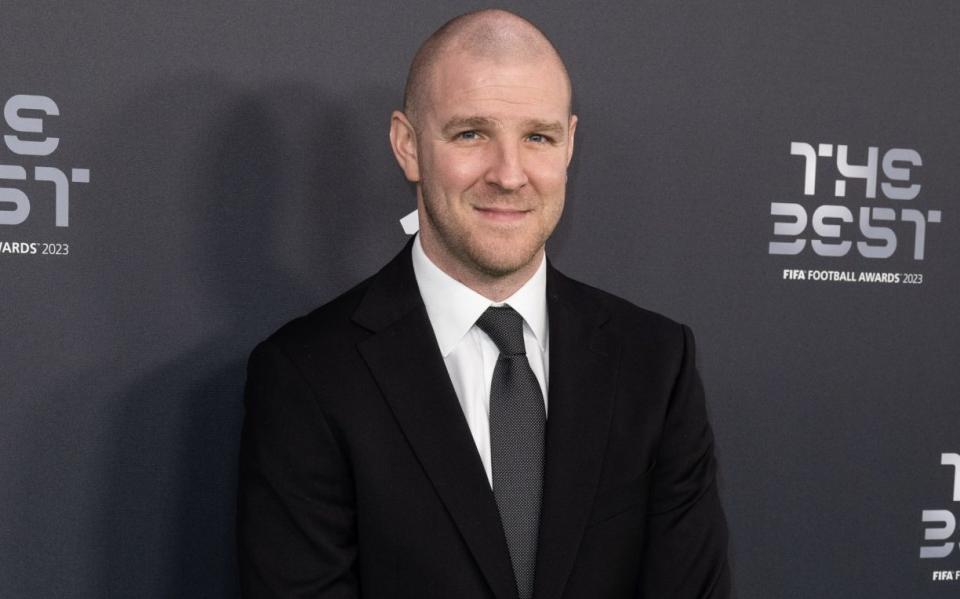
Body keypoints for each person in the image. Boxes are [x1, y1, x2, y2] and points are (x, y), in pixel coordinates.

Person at [238, 9, 730, 599]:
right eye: (472, 133)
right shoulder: (308, 376)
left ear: (570, 144)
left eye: (537, 137)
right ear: (408, 145)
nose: (509, 174)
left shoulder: (656, 362)